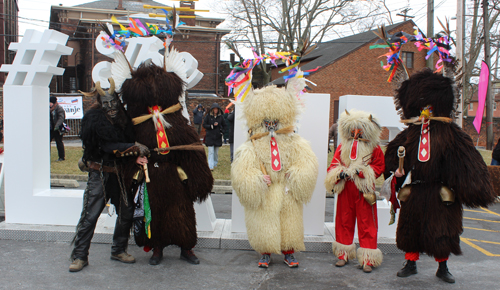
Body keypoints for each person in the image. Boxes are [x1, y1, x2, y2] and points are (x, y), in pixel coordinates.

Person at [384, 69, 497, 283]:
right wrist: (395, 173)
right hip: (416, 190)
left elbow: (466, 162)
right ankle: (410, 263)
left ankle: (443, 267)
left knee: (442, 232)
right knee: (411, 230)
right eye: (422, 105)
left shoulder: (452, 134)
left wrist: (470, 187)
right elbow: (394, 159)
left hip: (441, 193)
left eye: (430, 105)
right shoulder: (409, 134)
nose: (426, 110)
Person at [120, 59, 213, 266]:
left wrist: (197, 178)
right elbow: (126, 148)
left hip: (175, 176)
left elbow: (192, 151)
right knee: (154, 212)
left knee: (183, 212)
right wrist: (135, 159)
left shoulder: (177, 122)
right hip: (151, 176)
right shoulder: (137, 125)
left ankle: (186, 248)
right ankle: (157, 248)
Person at [231, 68, 318, 268]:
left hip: (286, 189)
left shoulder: (294, 141)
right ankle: (265, 252)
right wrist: (257, 180)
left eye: (275, 121)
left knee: (289, 222)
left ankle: (288, 252)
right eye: (267, 121)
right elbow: (242, 170)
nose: (271, 125)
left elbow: (307, 162)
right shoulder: (251, 144)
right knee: (264, 222)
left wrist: (296, 174)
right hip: (266, 191)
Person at [70, 79, 150, 272]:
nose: (111, 107)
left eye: (113, 103)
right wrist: (133, 147)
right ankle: (80, 256)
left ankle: (118, 249)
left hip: (119, 176)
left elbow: (123, 147)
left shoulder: (123, 121)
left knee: (126, 212)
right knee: (90, 216)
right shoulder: (94, 120)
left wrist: (135, 156)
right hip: (99, 175)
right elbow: (108, 146)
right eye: (106, 104)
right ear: (100, 104)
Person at [324, 110, 385, 273]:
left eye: (359, 131)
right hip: (346, 190)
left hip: (364, 190)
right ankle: (343, 255)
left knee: (368, 224)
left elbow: (379, 167)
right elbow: (333, 166)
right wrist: (339, 173)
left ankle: (368, 259)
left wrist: (363, 172)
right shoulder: (342, 148)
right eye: (353, 131)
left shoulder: (374, 148)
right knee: (344, 221)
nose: (356, 134)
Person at [203, 103, 226, 170]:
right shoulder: (208, 116)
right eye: (214, 109)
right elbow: (204, 125)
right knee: (211, 152)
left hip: (217, 137)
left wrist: (222, 132)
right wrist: (211, 126)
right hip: (210, 136)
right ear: (212, 109)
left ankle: (215, 163)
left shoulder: (221, 117)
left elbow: (225, 125)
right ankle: (210, 166)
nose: (215, 110)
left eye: (217, 109)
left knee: (215, 152)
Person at [50, 96, 66, 161]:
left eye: (52, 103)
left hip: (57, 129)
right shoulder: (48, 109)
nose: (50, 104)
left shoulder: (59, 109)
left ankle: (61, 157)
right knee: (47, 142)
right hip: (51, 128)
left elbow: (61, 118)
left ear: (55, 103)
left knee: (59, 142)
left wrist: (56, 126)